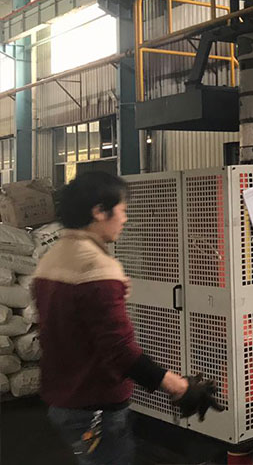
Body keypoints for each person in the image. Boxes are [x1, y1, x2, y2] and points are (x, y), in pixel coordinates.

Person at [32, 171, 221, 464]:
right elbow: (119, 352)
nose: (125, 219)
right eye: (122, 210)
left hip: (63, 399)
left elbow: (71, 322)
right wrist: (179, 386)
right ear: (99, 211)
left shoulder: (52, 258)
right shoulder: (97, 267)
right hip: (96, 407)